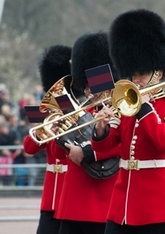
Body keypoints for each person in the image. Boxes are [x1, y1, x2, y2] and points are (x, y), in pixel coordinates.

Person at [91, 9, 165, 234]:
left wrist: (145, 109)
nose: (136, 79)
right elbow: (108, 146)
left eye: (142, 73)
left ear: (157, 73)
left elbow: (164, 143)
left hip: (155, 206)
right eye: (133, 73)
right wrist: (100, 130)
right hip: (122, 203)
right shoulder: (126, 106)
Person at [51, 31, 120, 234]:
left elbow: (123, 147)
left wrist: (88, 153)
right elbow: (59, 156)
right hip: (73, 199)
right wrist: (58, 136)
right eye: (87, 86)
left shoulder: (120, 110)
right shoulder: (82, 111)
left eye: (93, 85)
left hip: (102, 196)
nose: (90, 91)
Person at [23, 44, 71, 234]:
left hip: (70, 188)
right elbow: (29, 147)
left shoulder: (76, 113)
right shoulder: (46, 113)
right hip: (51, 192)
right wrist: (43, 128)